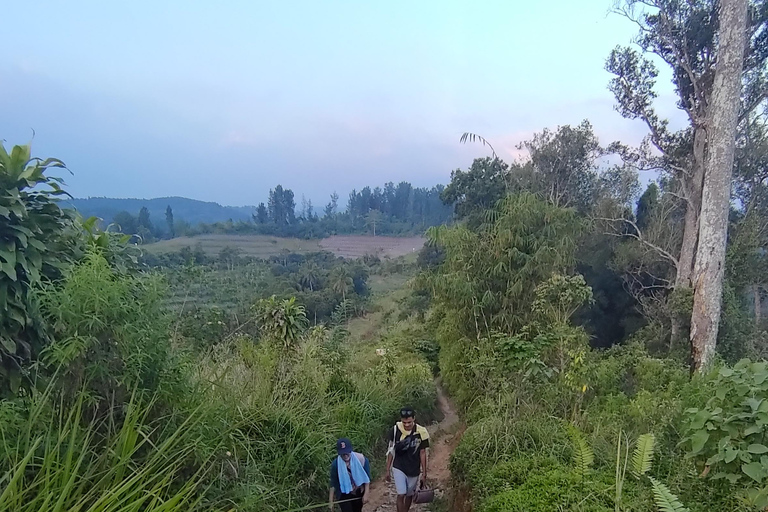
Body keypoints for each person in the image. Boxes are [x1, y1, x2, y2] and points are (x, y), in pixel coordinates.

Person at [385, 407, 429, 512]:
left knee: (409, 494)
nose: (407, 425)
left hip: (414, 468)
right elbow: (391, 450)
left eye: (409, 422)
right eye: (404, 422)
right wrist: (388, 469)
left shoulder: (421, 432)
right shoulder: (396, 430)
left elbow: (423, 453)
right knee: (401, 494)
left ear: (414, 419)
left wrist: (424, 473)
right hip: (399, 466)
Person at [329, 438, 371, 512]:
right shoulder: (336, 464)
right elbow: (333, 483)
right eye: (343, 453)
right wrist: (331, 501)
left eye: (347, 452)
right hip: (344, 492)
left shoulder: (361, 459)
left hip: (358, 491)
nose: (345, 455)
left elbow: (367, 478)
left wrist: (366, 493)